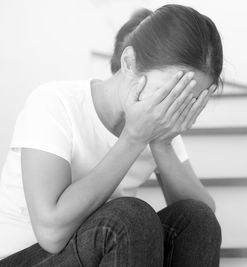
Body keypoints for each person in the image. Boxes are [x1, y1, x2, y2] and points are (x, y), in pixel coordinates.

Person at [0, 4, 223, 266]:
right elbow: (51, 234)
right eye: (169, 91)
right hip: (23, 257)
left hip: (101, 252)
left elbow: (201, 220)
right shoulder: (53, 103)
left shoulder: (161, 123)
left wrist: (162, 143)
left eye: (190, 98)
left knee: (196, 219)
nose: (174, 105)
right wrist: (134, 138)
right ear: (129, 63)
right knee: (129, 217)